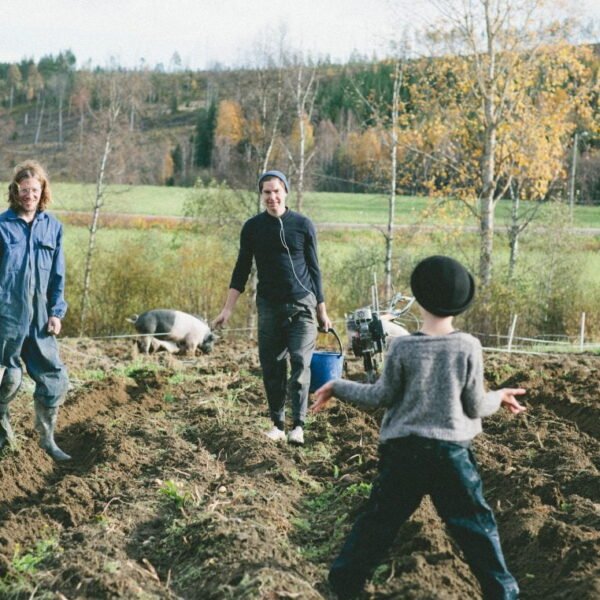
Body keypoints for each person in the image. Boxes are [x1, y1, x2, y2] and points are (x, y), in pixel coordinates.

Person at [312, 255, 526, 599]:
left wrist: (338, 387)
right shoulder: (468, 346)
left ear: (420, 298)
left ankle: (345, 584)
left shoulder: (401, 346)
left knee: (379, 522)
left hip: (403, 453)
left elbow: (380, 396)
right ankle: (502, 591)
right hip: (451, 455)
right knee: (476, 526)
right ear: (462, 303)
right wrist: (499, 396)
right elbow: (474, 405)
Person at [213, 170, 332, 446]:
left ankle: (298, 426)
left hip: (302, 305)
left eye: (276, 191)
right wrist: (227, 309)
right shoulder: (252, 228)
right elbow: (241, 269)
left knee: (301, 363)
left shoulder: (303, 225)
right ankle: (278, 424)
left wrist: (322, 310)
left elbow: (315, 270)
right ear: (261, 195)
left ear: (285, 192)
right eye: (266, 192)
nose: (272, 197)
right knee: (272, 367)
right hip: (269, 308)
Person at [0, 160, 70, 461]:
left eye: (35, 190)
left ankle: (47, 441)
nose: (29, 195)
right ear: (15, 192)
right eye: (24, 190)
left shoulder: (53, 227)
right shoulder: (2, 226)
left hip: (41, 318)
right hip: (6, 316)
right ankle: (3, 436)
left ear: (43, 192)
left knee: (54, 377)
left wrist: (56, 312)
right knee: (7, 378)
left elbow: (58, 276)